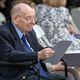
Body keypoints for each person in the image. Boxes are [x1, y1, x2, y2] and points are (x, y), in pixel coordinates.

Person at [0, 3, 66, 80]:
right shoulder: (3, 32)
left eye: (34, 18)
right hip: (19, 75)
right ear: (16, 19)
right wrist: (37, 55)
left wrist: (51, 51)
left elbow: (37, 49)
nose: (33, 22)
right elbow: (8, 54)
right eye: (29, 18)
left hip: (38, 73)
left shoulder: (30, 31)